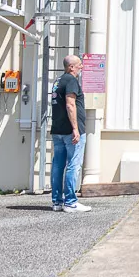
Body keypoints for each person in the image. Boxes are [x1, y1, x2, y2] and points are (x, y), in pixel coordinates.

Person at [50, 55, 91, 213]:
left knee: (58, 165)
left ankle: (57, 201)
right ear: (71, 67)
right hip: (70, 131)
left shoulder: (57, 81)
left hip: (57, 129)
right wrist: (75, 128)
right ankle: (70, 202)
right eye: (79, 65)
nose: (81, 68)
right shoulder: (71, 81)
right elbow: (70, 104)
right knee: (74, 164)